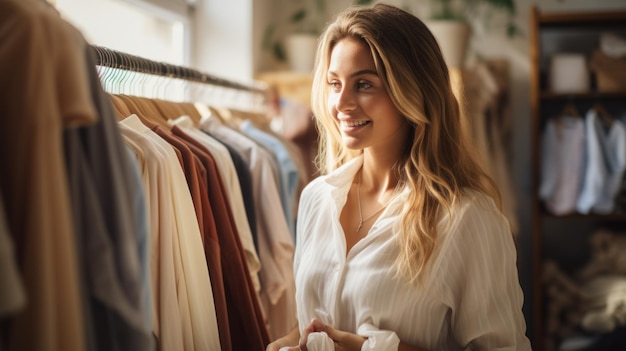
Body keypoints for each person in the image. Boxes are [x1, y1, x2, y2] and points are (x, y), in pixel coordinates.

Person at [267, 3, 532, 351]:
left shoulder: (466, 218)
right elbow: (314, 321)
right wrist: (281, 345)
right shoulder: (317, 198)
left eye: (363, 84)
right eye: (334, 83)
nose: (342, 103)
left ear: (413, 91)